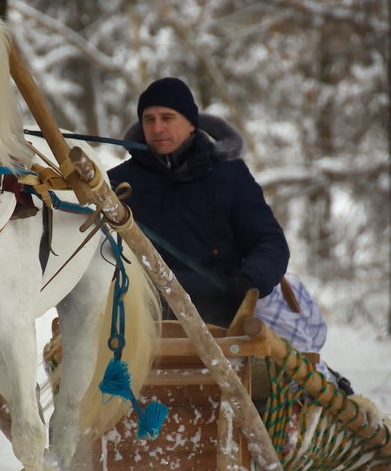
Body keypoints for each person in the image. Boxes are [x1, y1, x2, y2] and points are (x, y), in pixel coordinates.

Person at [108, 77, 289, 327]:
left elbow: (270, 243)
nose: (157, 127)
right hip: (140, 316)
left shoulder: (229, 174)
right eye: (149, 119)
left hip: (221, 314)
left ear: (191, 124)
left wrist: (247, 281)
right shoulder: (119, 183)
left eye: (167, 117)